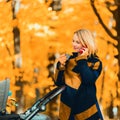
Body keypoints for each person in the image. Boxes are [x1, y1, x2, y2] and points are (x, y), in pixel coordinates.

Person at [54, 29, 103, 120]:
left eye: (78, 42)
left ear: (86, 43)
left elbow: (88, 80)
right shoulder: (69, 60)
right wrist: (60, 66)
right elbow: (58, 82)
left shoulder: (95, 62)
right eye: (73, 41)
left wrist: (82, 59)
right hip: (67, 111)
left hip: (87, 112)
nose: (74, 44)